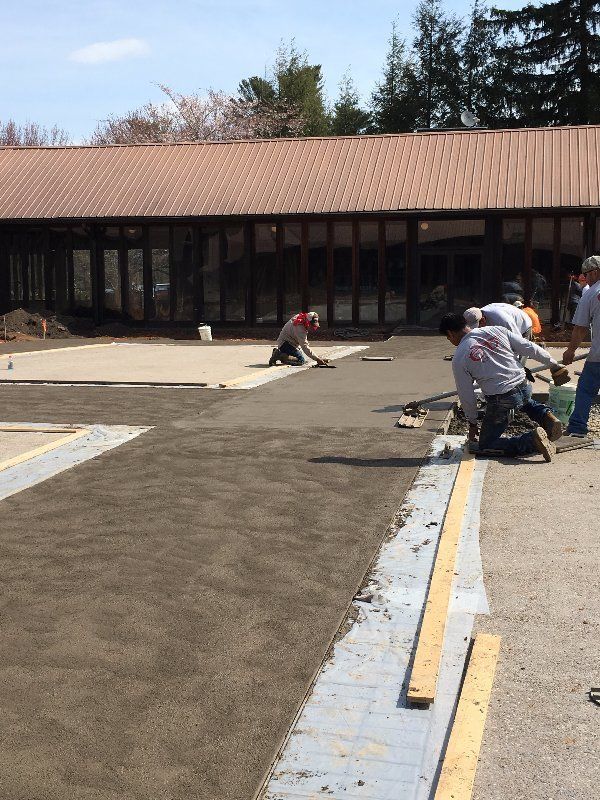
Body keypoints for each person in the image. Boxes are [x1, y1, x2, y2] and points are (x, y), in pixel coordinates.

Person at [439, 313, 568, 461]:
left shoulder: (460, 357)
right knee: (525, 402)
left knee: (487, 444)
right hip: (524, 384)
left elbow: (466, 395)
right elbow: (528, 347)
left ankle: (532, 442)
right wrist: (553, 364)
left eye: (448, 338)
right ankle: (548, 418)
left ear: (450, 333)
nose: (450, 341)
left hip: (502, 398)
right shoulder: (495, 330)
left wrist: (473, 422)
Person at [562, 255, 600, 440]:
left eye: (586, 274)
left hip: (599, 357)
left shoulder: (591, 294)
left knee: (585, 389)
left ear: (594, 272)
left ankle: (577, 428)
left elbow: (580, 328)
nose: (585, 278)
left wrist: (570, 351)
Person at [464, 302, 532, 339]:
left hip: (523, 326)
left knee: (516, 359)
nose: (478, 329)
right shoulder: (476, 314)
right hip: (504, 325)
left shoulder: (501, 319)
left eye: (478, 326)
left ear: (483, 320)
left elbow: (517, 340)